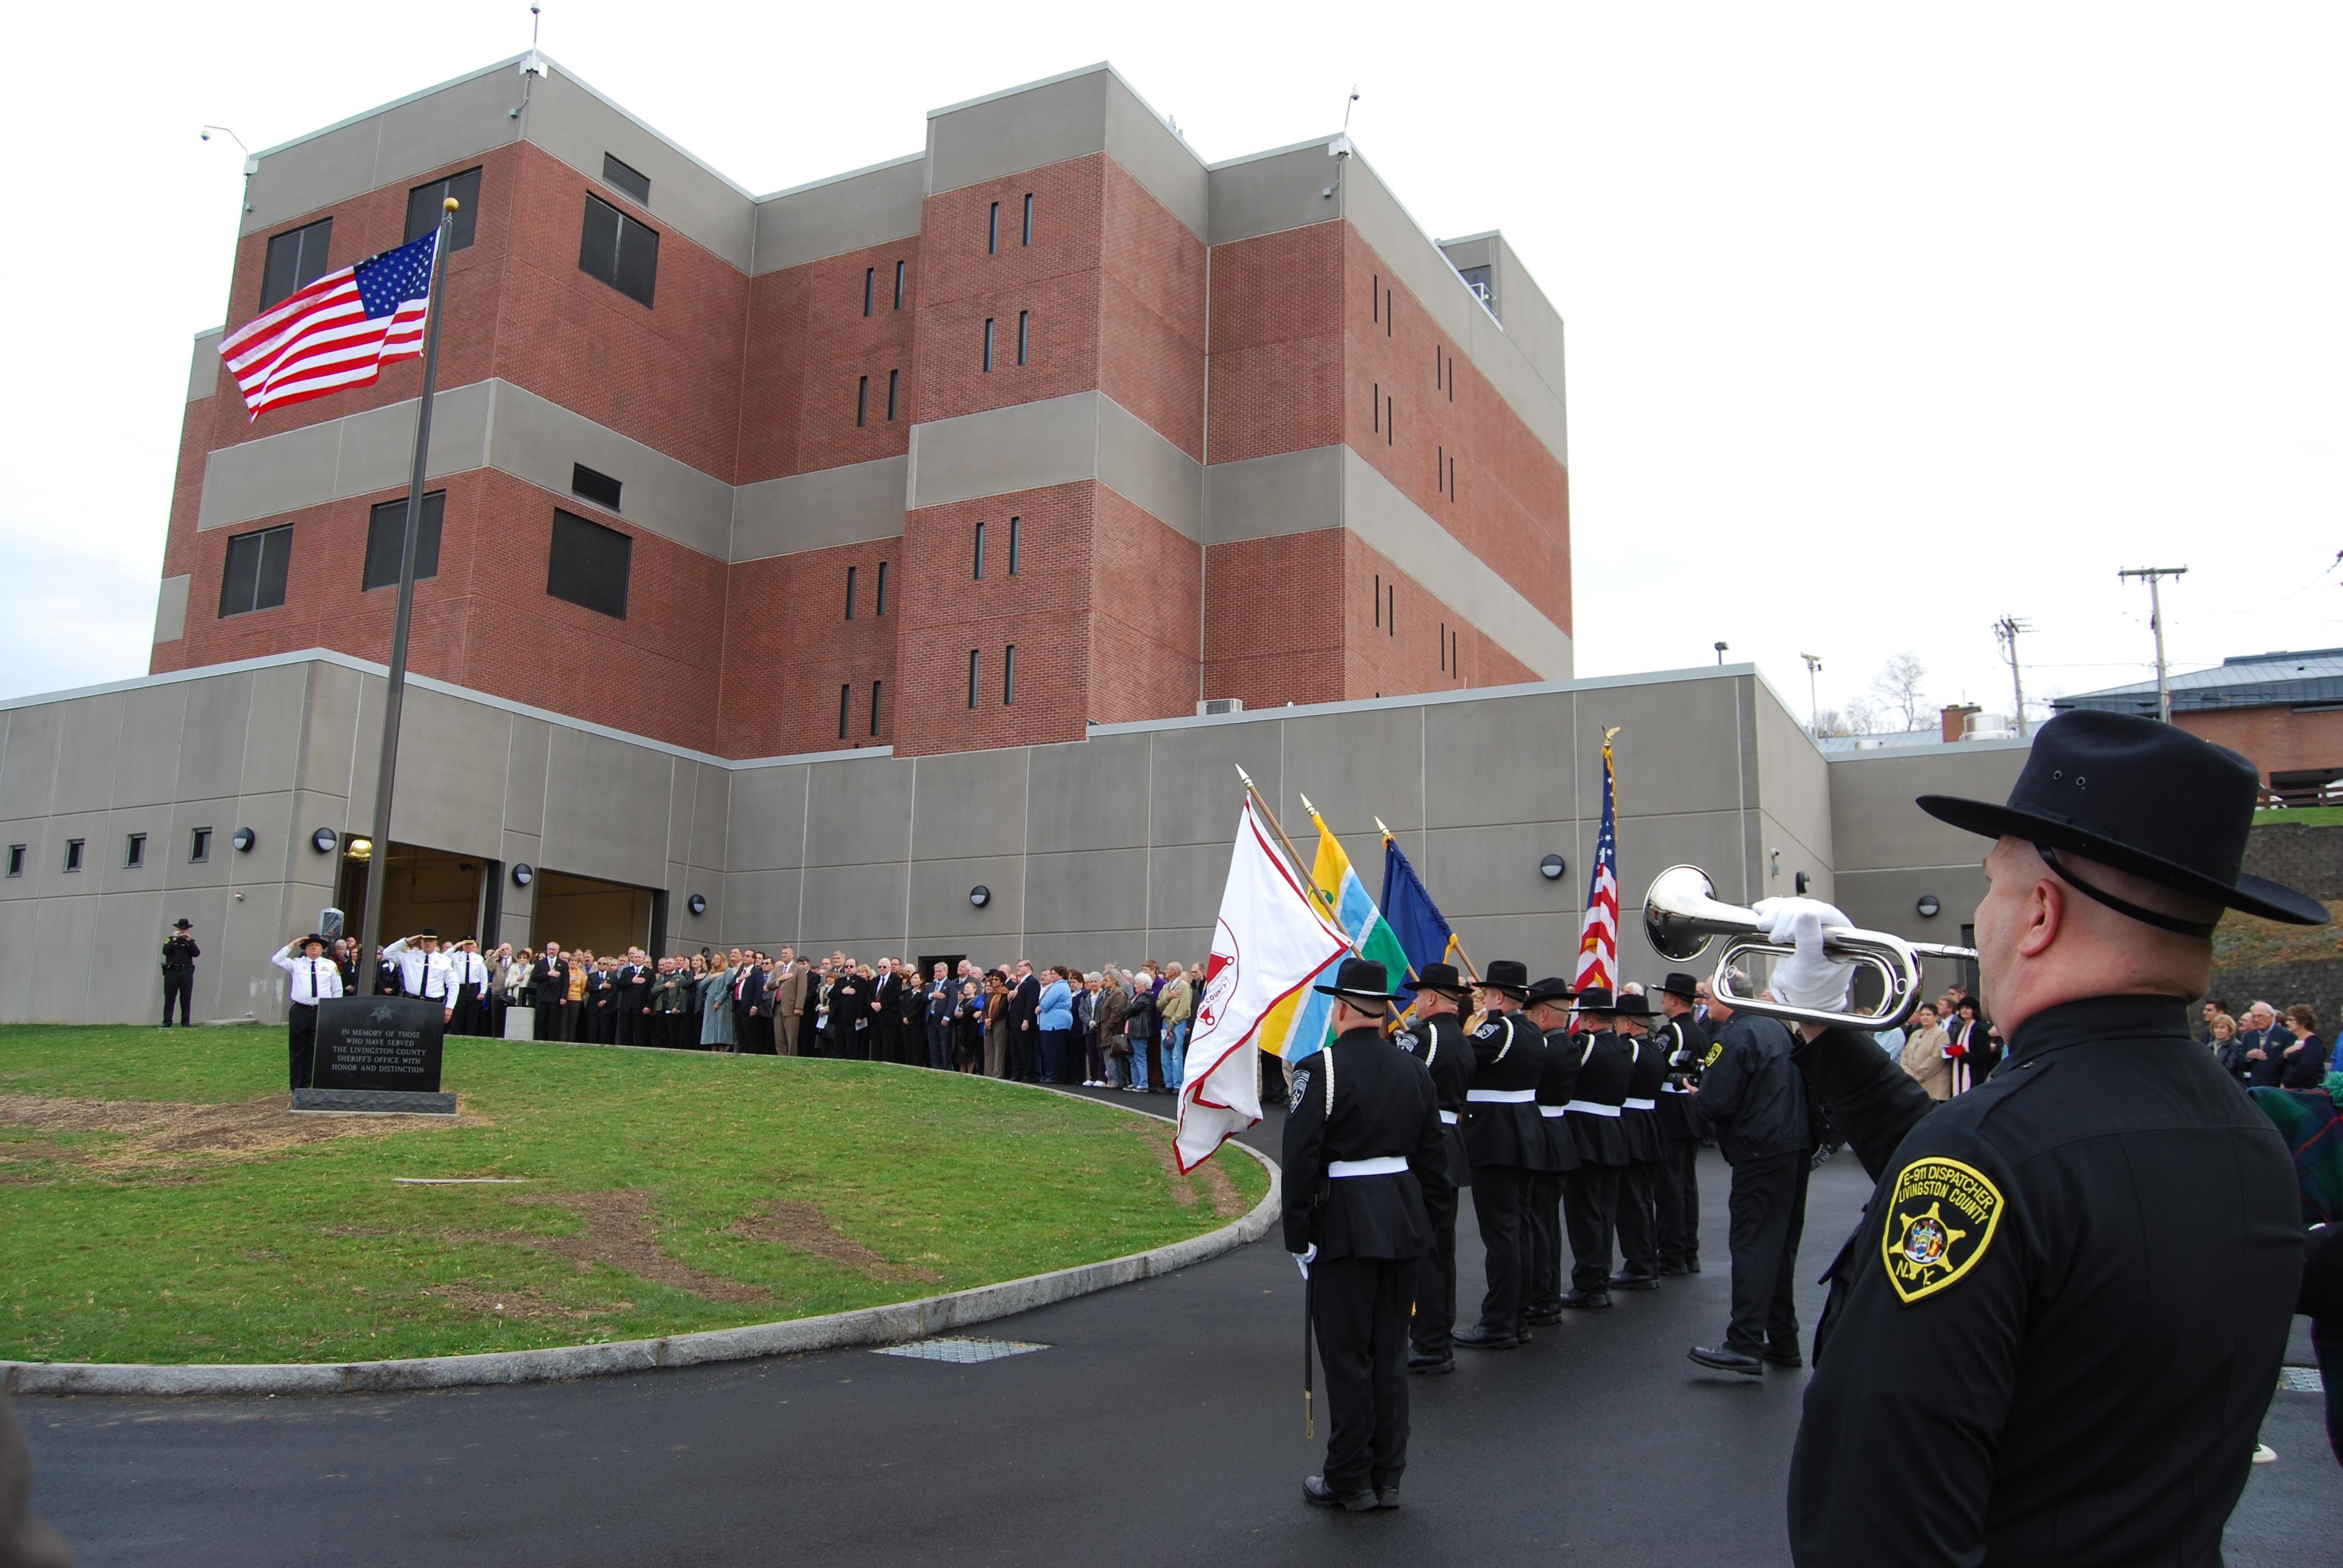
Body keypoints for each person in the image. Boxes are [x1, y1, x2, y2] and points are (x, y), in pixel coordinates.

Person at [1768, 708, 2321, 1565]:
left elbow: (1873, 1529)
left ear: (2039, 917)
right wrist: (1823, 1029)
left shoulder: (1992, 1152)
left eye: (1992, 887)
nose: (1983, 917)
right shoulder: (2246, 1136)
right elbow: (2025, 1187)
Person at [1282, 958, 1452, 1512]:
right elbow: (1433, 1159)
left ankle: (1348, 1476)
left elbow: (1301, 1160)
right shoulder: (1413, 1069)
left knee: (1347, 1354)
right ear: (1379, 1011)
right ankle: (1388, 1475)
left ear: (1342, 1010)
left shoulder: (1319, 1068)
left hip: (1345, 1225)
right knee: (1389, 1352)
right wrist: (1424, 1221)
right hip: (1402, 1220)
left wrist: (1299, 1237)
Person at [1684, 975, 1812, 1376]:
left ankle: (1743, 1342)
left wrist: (1696, 1097)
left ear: (1726, 997)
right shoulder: (1775, 1026)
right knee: (1778, 1245)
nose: (1705, 1005)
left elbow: (1719, 1100)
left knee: (1753, 1244)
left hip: (1760, 1149)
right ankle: (1783, 1339)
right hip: (1792, 1146)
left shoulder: (1737, 1034)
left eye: (1706, 996)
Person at [1454, 959, 1545, 1349]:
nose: (1483, 999)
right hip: (1522, 1129)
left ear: (1501, 997)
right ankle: (1517, 1315)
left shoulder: (1500, 1026)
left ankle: (1499, 1321)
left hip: (1496, 1135)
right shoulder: (1530, 1030)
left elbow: (1462, 1057)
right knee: (1518, 1229)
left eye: (1488, 993)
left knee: (1502, 1234)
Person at [1397, 962, 1475, 1374]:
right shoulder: (1461, 1038)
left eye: (1418, 995)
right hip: (1450, 1145)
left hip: (1426, 1146)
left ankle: (1428, 1341)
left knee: (1425, 1249)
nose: (1414, 1002)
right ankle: (1438, 1334)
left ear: (1430, 998)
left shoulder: (1423, 1037)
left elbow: (1401, 1084)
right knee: (1442, 1249)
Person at [1559, 985, 1634, 1306]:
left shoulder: (1586, 1044)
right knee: (1604, 1210)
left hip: (1586, 1133)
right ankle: (1599, 1276)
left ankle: (1590, 1283)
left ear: (1588, 1019)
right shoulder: (1623, 1046)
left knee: (1585, 1212)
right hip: (1613, 1131)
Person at [1521, 976, 1584, 1321]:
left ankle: (1541, 1297)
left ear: (1543, 1016)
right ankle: (1545, 1294)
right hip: (1559, 1132)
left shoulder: (1545, 1048)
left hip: (1543, 1133)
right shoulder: (1570, 1045)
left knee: (1539, 1221)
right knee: (1547, 1222)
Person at [1652, 971, 1710, 1275]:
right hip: (1691, 1112)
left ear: (1674, 1000)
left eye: (1664, 996)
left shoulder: (1671, 1031)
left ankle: (1672, 1253)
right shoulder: (1699, 1030)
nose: (1662, 1000)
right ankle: (1689, 1249)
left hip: (1671, 1112)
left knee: (1669, 1187)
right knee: (1687, 1184)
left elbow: (1656, 1066)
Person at [1611, 990, 1668, 1289]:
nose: (1617, 1029)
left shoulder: (1631, 1048)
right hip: (1647, 1122)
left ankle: (1640, 1264)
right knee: (1642, 1198)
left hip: (1631, 1122)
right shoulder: (1653, 1048)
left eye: (1618, 1023)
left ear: (1630, 1024)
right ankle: (1646, 1260)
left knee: (1632, 1200)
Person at [272, 932, 342, 1092]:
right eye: (310, 946)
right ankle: (296, 1087)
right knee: (297, 1049)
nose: (314, 949)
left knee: (315, 1048)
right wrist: (292, 944)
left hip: (321, 1011)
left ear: (322, 950)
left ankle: (310, 1084)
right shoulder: (297, 964)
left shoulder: (330, 965)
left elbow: (337, 988)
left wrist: (335, 1010)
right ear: (306, 949)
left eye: (317, 946)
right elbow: (277, 960)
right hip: (300, 1011)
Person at [382, 930, 456, 1025]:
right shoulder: (409, 956)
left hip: (434, 1003)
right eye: (425, 940)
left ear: (436, 943)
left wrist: (449, 1007)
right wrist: (406, 941)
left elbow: (453, 985)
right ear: (421, 942)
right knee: (409, 1032)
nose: (428, 943)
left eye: (431, 941)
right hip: (412, 1001)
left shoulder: (444, 961)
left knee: (430, 1034)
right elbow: (387, 953)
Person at [1896, 1002, 1953, 1100]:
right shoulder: (1916, 1034)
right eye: (1922, 1015)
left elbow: (1937, 1058)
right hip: (1912, 1083)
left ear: (1936, 1017)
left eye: (1928, 1015)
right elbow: (1905, 1054)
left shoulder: (1942, 1034)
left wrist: (1917, 1075)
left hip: (1933, 1085)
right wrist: (1906, 1071)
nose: (1925, 1017)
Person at [1159, 962, 1193, 1093]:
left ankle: (1178, 1085)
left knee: (1176, 1055)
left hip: (1178, 1024)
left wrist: (1173, 1022)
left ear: (1173, 971)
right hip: (1165, 1022)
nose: (1166, 971)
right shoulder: (1166, 987)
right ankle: (1169, 1083)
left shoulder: (1184, 987)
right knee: (1165, 1055)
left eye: (1167, 969)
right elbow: (1159, 1004)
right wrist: (1169, 997)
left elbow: (1184, 1008)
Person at [1037, 965, 1075, 1083]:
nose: (1052, 976)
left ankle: (1053, 1075)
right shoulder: (1060, 986)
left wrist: (1040, 1007)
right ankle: (1053, 1074)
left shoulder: (1059, 987)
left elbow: (1047, 1003)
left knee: (1052, 1050)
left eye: (1054, 974)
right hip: (1054, 1022)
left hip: (1055, 1023)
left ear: (1061, 975)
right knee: (1053, 1050)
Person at [160, 918, 199, 1027]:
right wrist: (174, 939)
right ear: (177, 929)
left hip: (186, 972)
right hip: (172, 972)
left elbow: (197, 953)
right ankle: (167, 1021)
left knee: (186, 997)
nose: (183, 931)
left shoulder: (190, 942)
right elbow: (165, 951)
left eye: (185, 929)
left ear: (188, 930)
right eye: (181, 929)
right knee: (170, 997)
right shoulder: (171, 940)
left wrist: (190, 941)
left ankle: (186, 1022)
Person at [2281, 1004, 2329, 1088]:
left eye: (2291, 1020)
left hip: (2307, 1092)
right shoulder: (2291, 1043)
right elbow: (2276, 1066)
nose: (2287, 1023)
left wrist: (2286, 1083)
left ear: (2303, 1023)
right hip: (2292, 1091)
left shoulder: (2314, 1043)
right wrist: (2285, 1054)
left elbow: (2306, 1068)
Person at [699, 953, 736, 1051]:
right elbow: (701, 986)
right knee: (711, 1026)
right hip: (710, 1000)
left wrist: (719, 1001)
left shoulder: (728, 971)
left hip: (722, 1001)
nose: (715, 960)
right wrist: (711, 978)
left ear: (722, 960)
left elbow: (728, 988)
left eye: (717, 959)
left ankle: (722, 1050)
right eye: (714, 959)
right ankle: (713, 1049)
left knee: (721, 1026)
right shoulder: (712, 973)